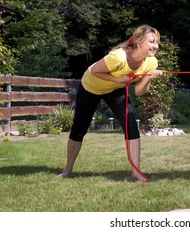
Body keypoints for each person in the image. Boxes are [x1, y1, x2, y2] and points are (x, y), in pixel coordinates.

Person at [58, 25, 163, 182]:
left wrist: (149, 78)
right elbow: (95, 71)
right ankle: (68, 169)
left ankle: (136, 172)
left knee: (131, 126)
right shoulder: (118, 57)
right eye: (152, 41)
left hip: (115, 90)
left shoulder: (151, 62)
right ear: (139, 42)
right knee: (79, 128)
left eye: (157, 42)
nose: (155, 46)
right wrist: (119, 79)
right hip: (91, 86)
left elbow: (139, 91)